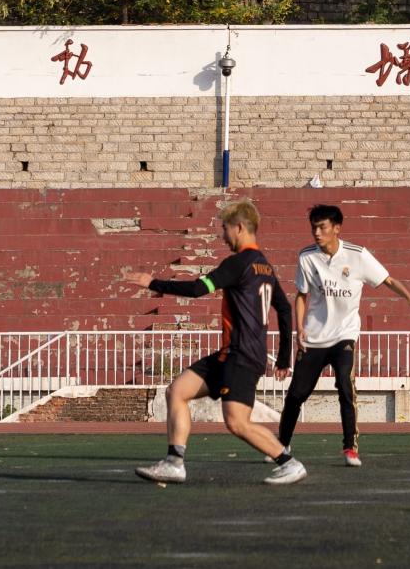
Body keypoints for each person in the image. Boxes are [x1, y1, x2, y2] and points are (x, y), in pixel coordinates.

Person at [125, 199, 306, 486]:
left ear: (239, 227)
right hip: (230, 354)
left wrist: (153, 283)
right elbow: (283, 309)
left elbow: (198, 289)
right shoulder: (265, 267)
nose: (223, 236)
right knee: (177, 391)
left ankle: (289, 463)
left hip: (241, 356)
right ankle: (174, 463)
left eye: (225, 228)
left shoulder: (239, 263)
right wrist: (284, 357)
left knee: (237, 422)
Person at [276, 204, 410, 467]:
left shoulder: (358, 256)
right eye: (313, 227)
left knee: (346, 386)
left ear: (337, 228)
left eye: (322, 227)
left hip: (344, 335)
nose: (317, 233)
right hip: (314, 338)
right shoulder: (307, 257)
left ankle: (350, 448)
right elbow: (301, 296)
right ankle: (281, 445)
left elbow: (388, 280)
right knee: (296, 394)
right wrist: (300, 328)